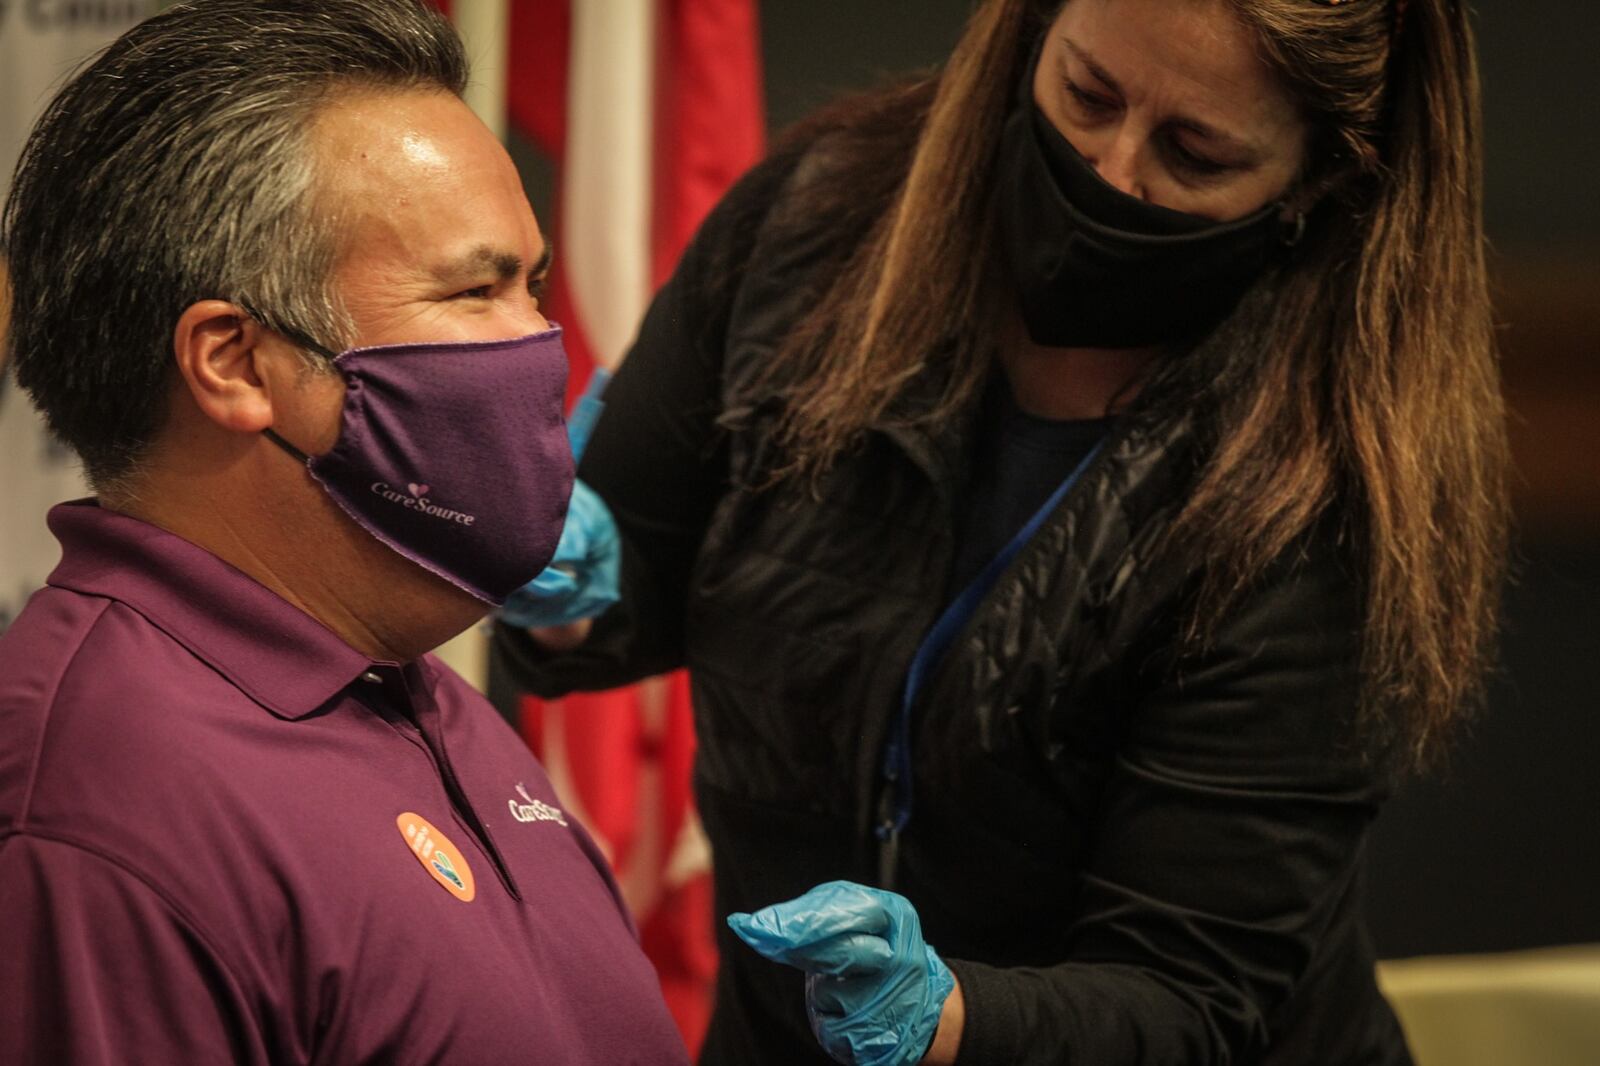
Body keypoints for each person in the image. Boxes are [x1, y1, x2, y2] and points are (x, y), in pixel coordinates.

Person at [497, 0, 1510, 1062]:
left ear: (1320, 179)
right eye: (1087, 94)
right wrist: (559, 588)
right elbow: (634, 572)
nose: (1111, 173)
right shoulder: (815, 225)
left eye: (1195, 153)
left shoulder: (1324, 494)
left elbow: (1187, 1001)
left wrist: (942, 1017)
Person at [0, 2, 688, 1063]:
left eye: (534, 284)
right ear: (235, 362)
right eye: (476, 289)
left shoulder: (409, 687)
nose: (542, 345)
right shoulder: (98, 815)